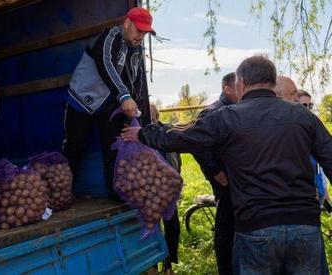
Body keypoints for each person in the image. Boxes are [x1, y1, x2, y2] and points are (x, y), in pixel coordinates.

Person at [122, 56, 331, 274]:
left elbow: (182, 136)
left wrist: (143, 133)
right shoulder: (303, 116)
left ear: (241, 82)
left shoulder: (228, 117)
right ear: (271, 81)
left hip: (255, 228)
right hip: (305, 226)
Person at [62, 7, 155, 201]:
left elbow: (136, 81)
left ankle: (115, 192)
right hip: (82, 99)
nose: (141, 37)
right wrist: (124, 96)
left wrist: (136, 109)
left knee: (113, 145)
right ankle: (64, 193)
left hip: (107, 105)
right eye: (139, 31)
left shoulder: (136, 49)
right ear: (127, 23)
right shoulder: (109, 37)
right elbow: (106, 65)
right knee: (75, 145)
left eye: (145, 33)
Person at [193, 72, 237, 275]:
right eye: (239, 86)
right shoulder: (212, 111)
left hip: (239, 178)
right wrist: (215, 171)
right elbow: (198, 144)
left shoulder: (236, 110)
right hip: (226, 180)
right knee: (226, 226)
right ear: (227, 88)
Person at [148, 104, 181, 275]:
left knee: (172, 227)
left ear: (157, 115)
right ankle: (152, 265)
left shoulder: (166, 132)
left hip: (168, 190)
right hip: (149, 193)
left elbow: (177, 159)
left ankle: (168, 265)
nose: (150, 118)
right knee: (152, 228)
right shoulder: (140, 134)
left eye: (152, 114)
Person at [298, 90, 330, 206]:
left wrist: (325, 190)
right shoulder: (295, 132)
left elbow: (320, 164)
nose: (308, 108)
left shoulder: (313, 127)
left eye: (310, 105)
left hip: (318, 194)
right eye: (304, 105)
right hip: (305, 197)